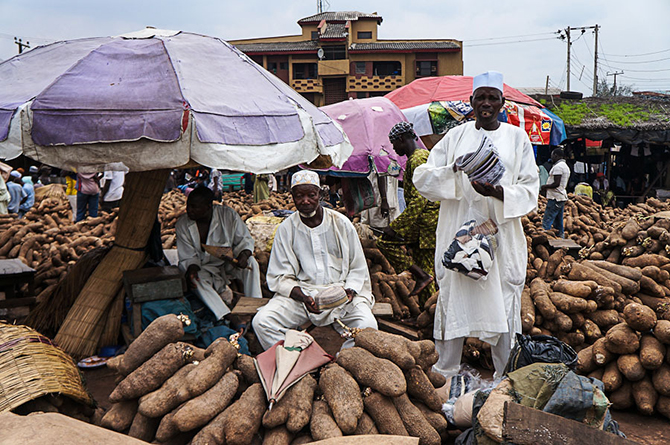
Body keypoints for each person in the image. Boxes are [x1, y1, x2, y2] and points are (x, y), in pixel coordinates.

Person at [413, 71, 540, 378]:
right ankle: (445, 371)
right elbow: (424, 178)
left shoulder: (517, 138)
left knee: (503, 297)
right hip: (459, 231)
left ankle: (504, 375)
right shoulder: (455, 137)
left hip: (500, 232)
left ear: (502, 103)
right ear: (470, 102)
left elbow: (530, 188)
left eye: (491, 97)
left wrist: (496, 191)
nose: (486, 103)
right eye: (480, 97)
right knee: (455, 295)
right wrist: (455, 170)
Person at [252, 170, 377, 350]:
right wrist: (303, 297)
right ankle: (298, 359)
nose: (305, 201)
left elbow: (357, 267)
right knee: (262, 322)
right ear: (292, 197)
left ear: (320, 194)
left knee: (368, 326)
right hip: (303, 297)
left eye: (311, 195)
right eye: (299, 196)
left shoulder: (341, 223)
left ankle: (342, 363)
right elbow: (281, 275)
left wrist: (349, 291)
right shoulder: (286, 229)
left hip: (341, 296)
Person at [176, 186, 262, 329]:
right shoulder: (182, 224)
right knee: (195, 279)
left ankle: (255, 309)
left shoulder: (228, 215)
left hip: (228, 263)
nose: (188, 210)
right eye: (188, 205)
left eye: (194, 207)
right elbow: (188, 256)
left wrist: (244, 254)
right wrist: (191, 268)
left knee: (252, 264)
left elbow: (245, 240)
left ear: (208, 207)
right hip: (203, 266)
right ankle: (227, 315)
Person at [376, 122, 438, 303]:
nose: (394, 148)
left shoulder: (418, 159)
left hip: (425, 225)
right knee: (427, 270)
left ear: (402, 139)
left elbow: (420, 199)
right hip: (425, 225)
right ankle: (428, 311)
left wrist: (396, 228)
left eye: (394, 143)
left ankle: (419, 276)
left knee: (385, 243)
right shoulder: (420, 157)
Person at [540, 148, 570, 237]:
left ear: (556, 155)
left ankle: (545, 239)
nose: (551, 158)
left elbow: (556, 183)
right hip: (560, 197)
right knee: (558, 222)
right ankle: (561, 238)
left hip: (555, 197)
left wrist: (544, 186)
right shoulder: (564, 166)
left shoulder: (559, 167)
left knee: (547, 220)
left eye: (552, 155)